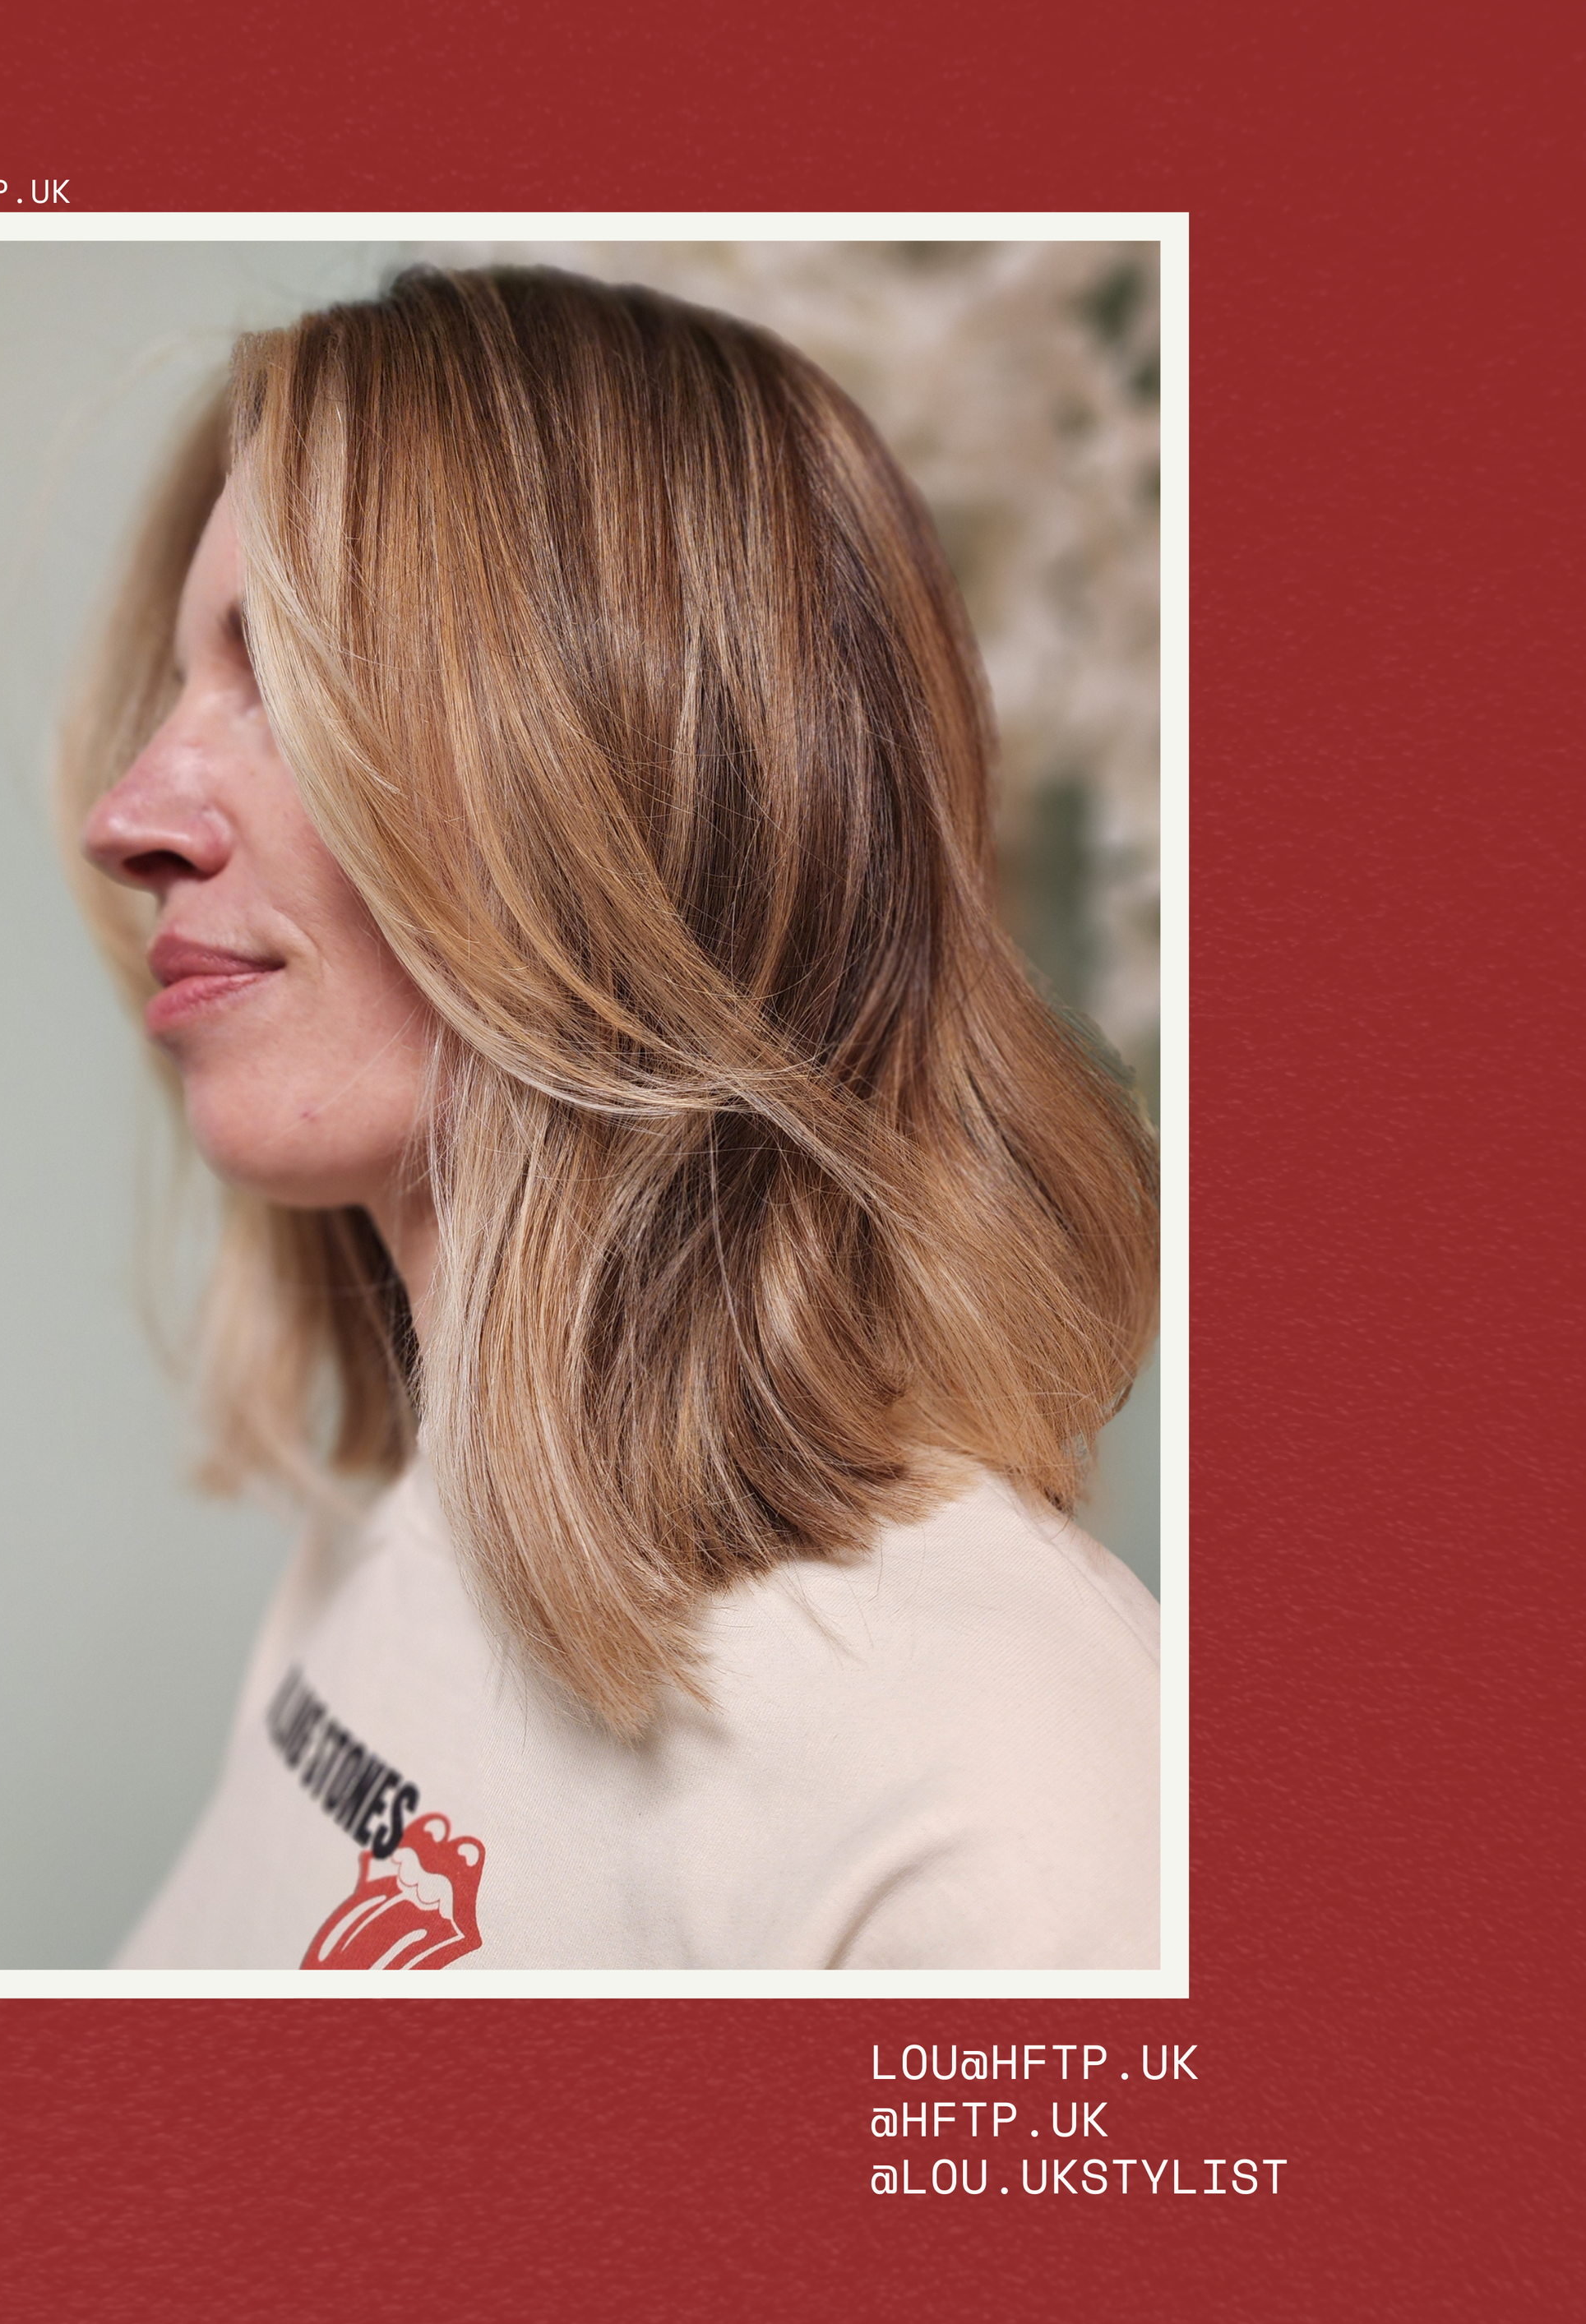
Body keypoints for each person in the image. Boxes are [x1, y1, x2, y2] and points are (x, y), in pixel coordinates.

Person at [62, 264, 1160, 1971]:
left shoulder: (1003, 1780)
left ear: (627, 783)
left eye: (284, 671)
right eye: (183, 682)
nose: (126, 815)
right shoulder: (393, 1539)